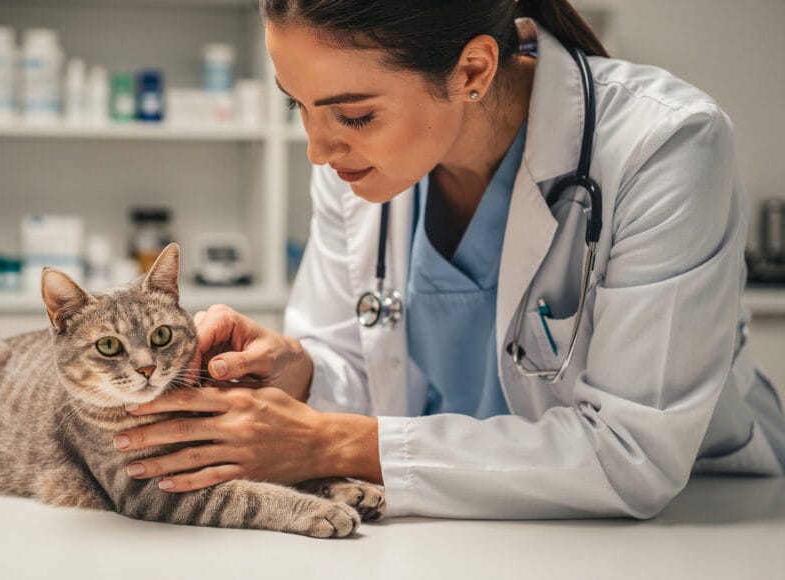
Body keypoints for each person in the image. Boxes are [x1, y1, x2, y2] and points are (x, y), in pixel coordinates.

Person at [112, 0, 785, 519]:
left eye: (353, 117)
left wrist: (332, 445)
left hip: (698, 521)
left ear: (472, 70)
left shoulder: (663, 145)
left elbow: (631, 455)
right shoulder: (357, 166)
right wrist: (304, 372)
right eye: (300, 108)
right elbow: (370, 366)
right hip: (452, 524)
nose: (318, 149)